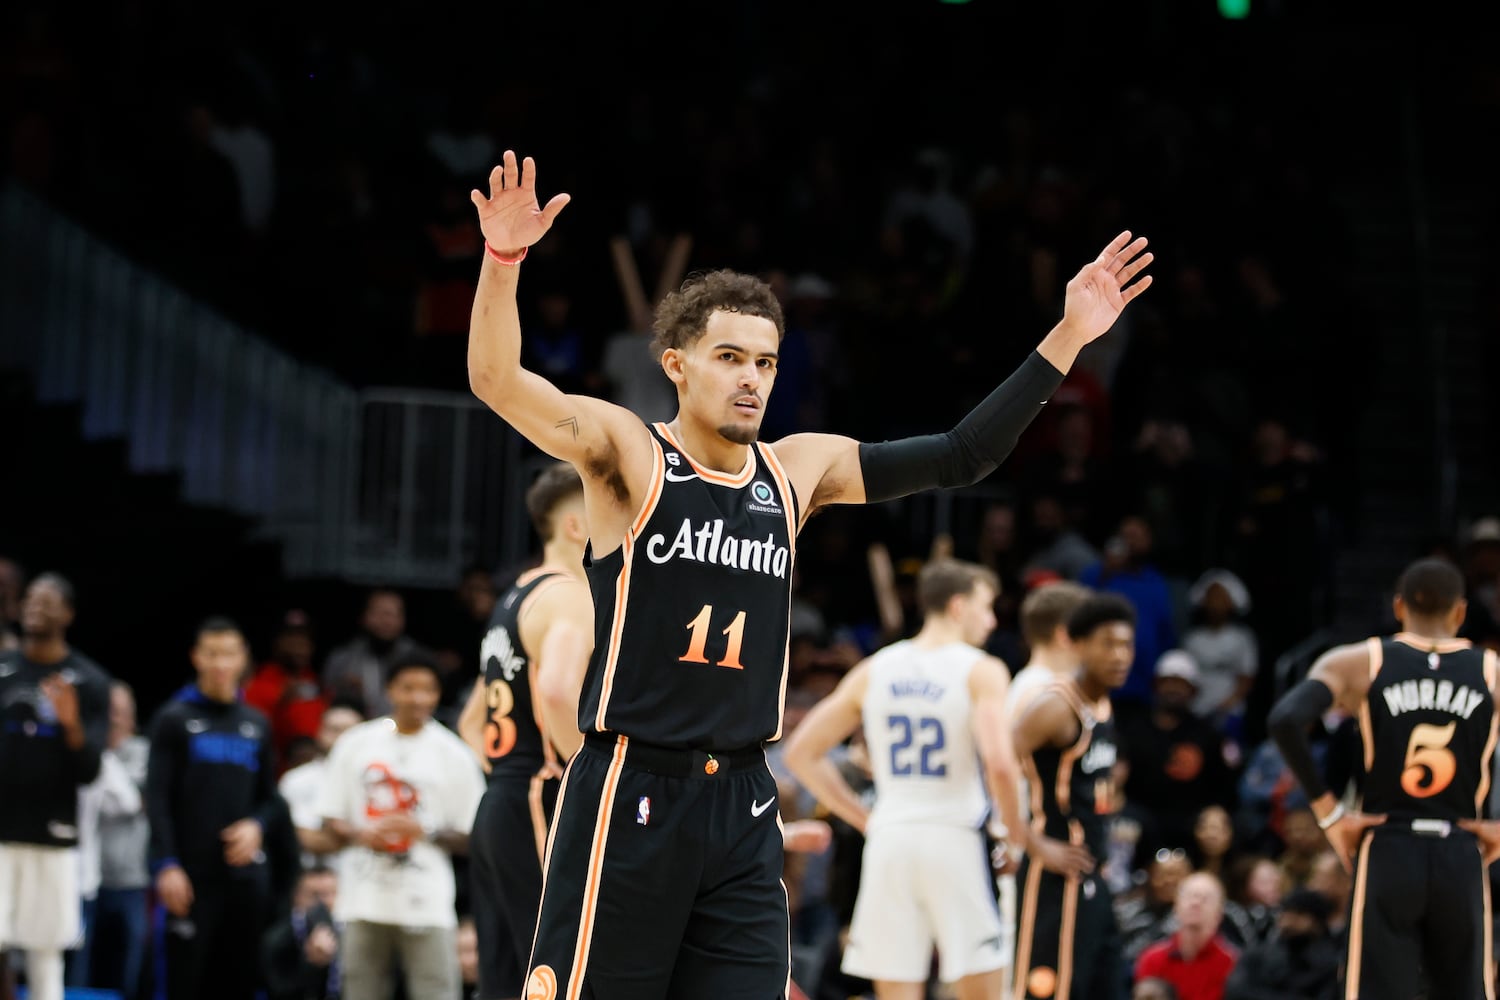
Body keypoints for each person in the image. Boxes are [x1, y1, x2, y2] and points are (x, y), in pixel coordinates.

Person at [466, 148, 1152, 1000]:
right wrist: (503, 263)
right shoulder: (631, 453)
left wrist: (1067, 338)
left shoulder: (796, 471)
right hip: (632, 784)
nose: (752, 378)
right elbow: (496, 379)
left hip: (748, 792)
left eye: (766, 362)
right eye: (729, 357)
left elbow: (963, 455)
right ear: (675, 363)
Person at [782, 558, 1025, 1000]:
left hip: (890, 839)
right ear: (958, 606)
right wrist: (1014, 835)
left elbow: (801, 753)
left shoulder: (876, 668)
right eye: (986, 607)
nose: (991, 622)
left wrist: (865, 818)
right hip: (954, 835)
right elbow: (1002, 764)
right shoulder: (981, 668)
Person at [1267, 557, 1499, 1000]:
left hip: (1387, 846)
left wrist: (1329, 813)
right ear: (1460, 613)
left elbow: (1284, 720)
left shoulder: (1362, 661)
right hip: (1460, 851)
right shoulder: (1491, 671)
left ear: (1398, 607)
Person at [457, 462, 594, 1000]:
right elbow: (559, 693)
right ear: (576, 525)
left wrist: (509, 776)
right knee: (557, 976)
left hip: (500, 803)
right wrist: (594, 778)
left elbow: (471, 723)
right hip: (541, 795)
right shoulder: (569, 595)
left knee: (505, 980)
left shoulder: (514, 597)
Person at [319, 651, 486, 1000]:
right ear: (390, 689)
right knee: (360, 991)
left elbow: (476, 835)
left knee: (437, 991)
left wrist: (425, 831)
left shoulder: (454, 753)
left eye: (428, 689)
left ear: (439, 694)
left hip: (429, 900)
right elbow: (331, 816)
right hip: (362, 897)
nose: (418, 698)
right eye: (408, 688)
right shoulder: (356, 743)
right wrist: (362, 832)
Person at [146, 617, 283, 1000]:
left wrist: (256, 824)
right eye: (211, 654)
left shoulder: (256, 724)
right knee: (183, 982)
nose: (220, 663)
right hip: (189, 879)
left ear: (243, 659)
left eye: (228, 654)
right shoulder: (173, 719)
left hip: (241, 879)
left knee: (237, 983)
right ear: (196, 657)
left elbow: (272, 798)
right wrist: (167, 864)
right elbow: (157, 799)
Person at [1010, 593, 1137, 1000]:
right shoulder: (1054, 705)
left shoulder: (1102, 703)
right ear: (1077, 644)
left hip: (1094, 874)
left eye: (1126, 645)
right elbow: (990, 768)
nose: (1119, 656)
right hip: (1055, 877)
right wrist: (1032, 842)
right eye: (1107, 644)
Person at [0, 574, 111, 1000]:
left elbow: (90, 770)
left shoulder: (89, 680)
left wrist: (71, 724)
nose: (34, 607)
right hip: (1, 830)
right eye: (30, 599)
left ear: (68, 613)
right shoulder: (4, 669)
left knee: (45, 953)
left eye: (47, 602)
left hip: (53, 833)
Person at [278, 704, 364, 869]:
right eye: (334, 729)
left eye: (350, 731)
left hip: (362, 876)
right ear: (319, 732)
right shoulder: (297, 780)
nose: (342, 738)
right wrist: (359, 837)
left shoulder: (376, 779)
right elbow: (304, 838)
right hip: (310, 876)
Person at [1132, 872, 1238, 1000]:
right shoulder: (1152, 960)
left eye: (1205, 898)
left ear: (1219, 913)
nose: (1195, 903)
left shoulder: (1231, 965)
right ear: (1176, 907)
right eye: (1190, 896)